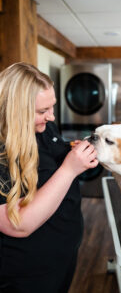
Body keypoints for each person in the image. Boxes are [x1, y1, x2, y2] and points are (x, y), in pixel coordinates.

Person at [0, 62, 98, 293]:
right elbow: (19, 226)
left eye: (51, 107)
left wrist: (70, 150)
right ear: (16, 109)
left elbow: (48, 158)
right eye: (43, 111)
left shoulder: (42, 128)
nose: (51, 117)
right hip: (27, 274)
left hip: (61, 258)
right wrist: (69, 169)